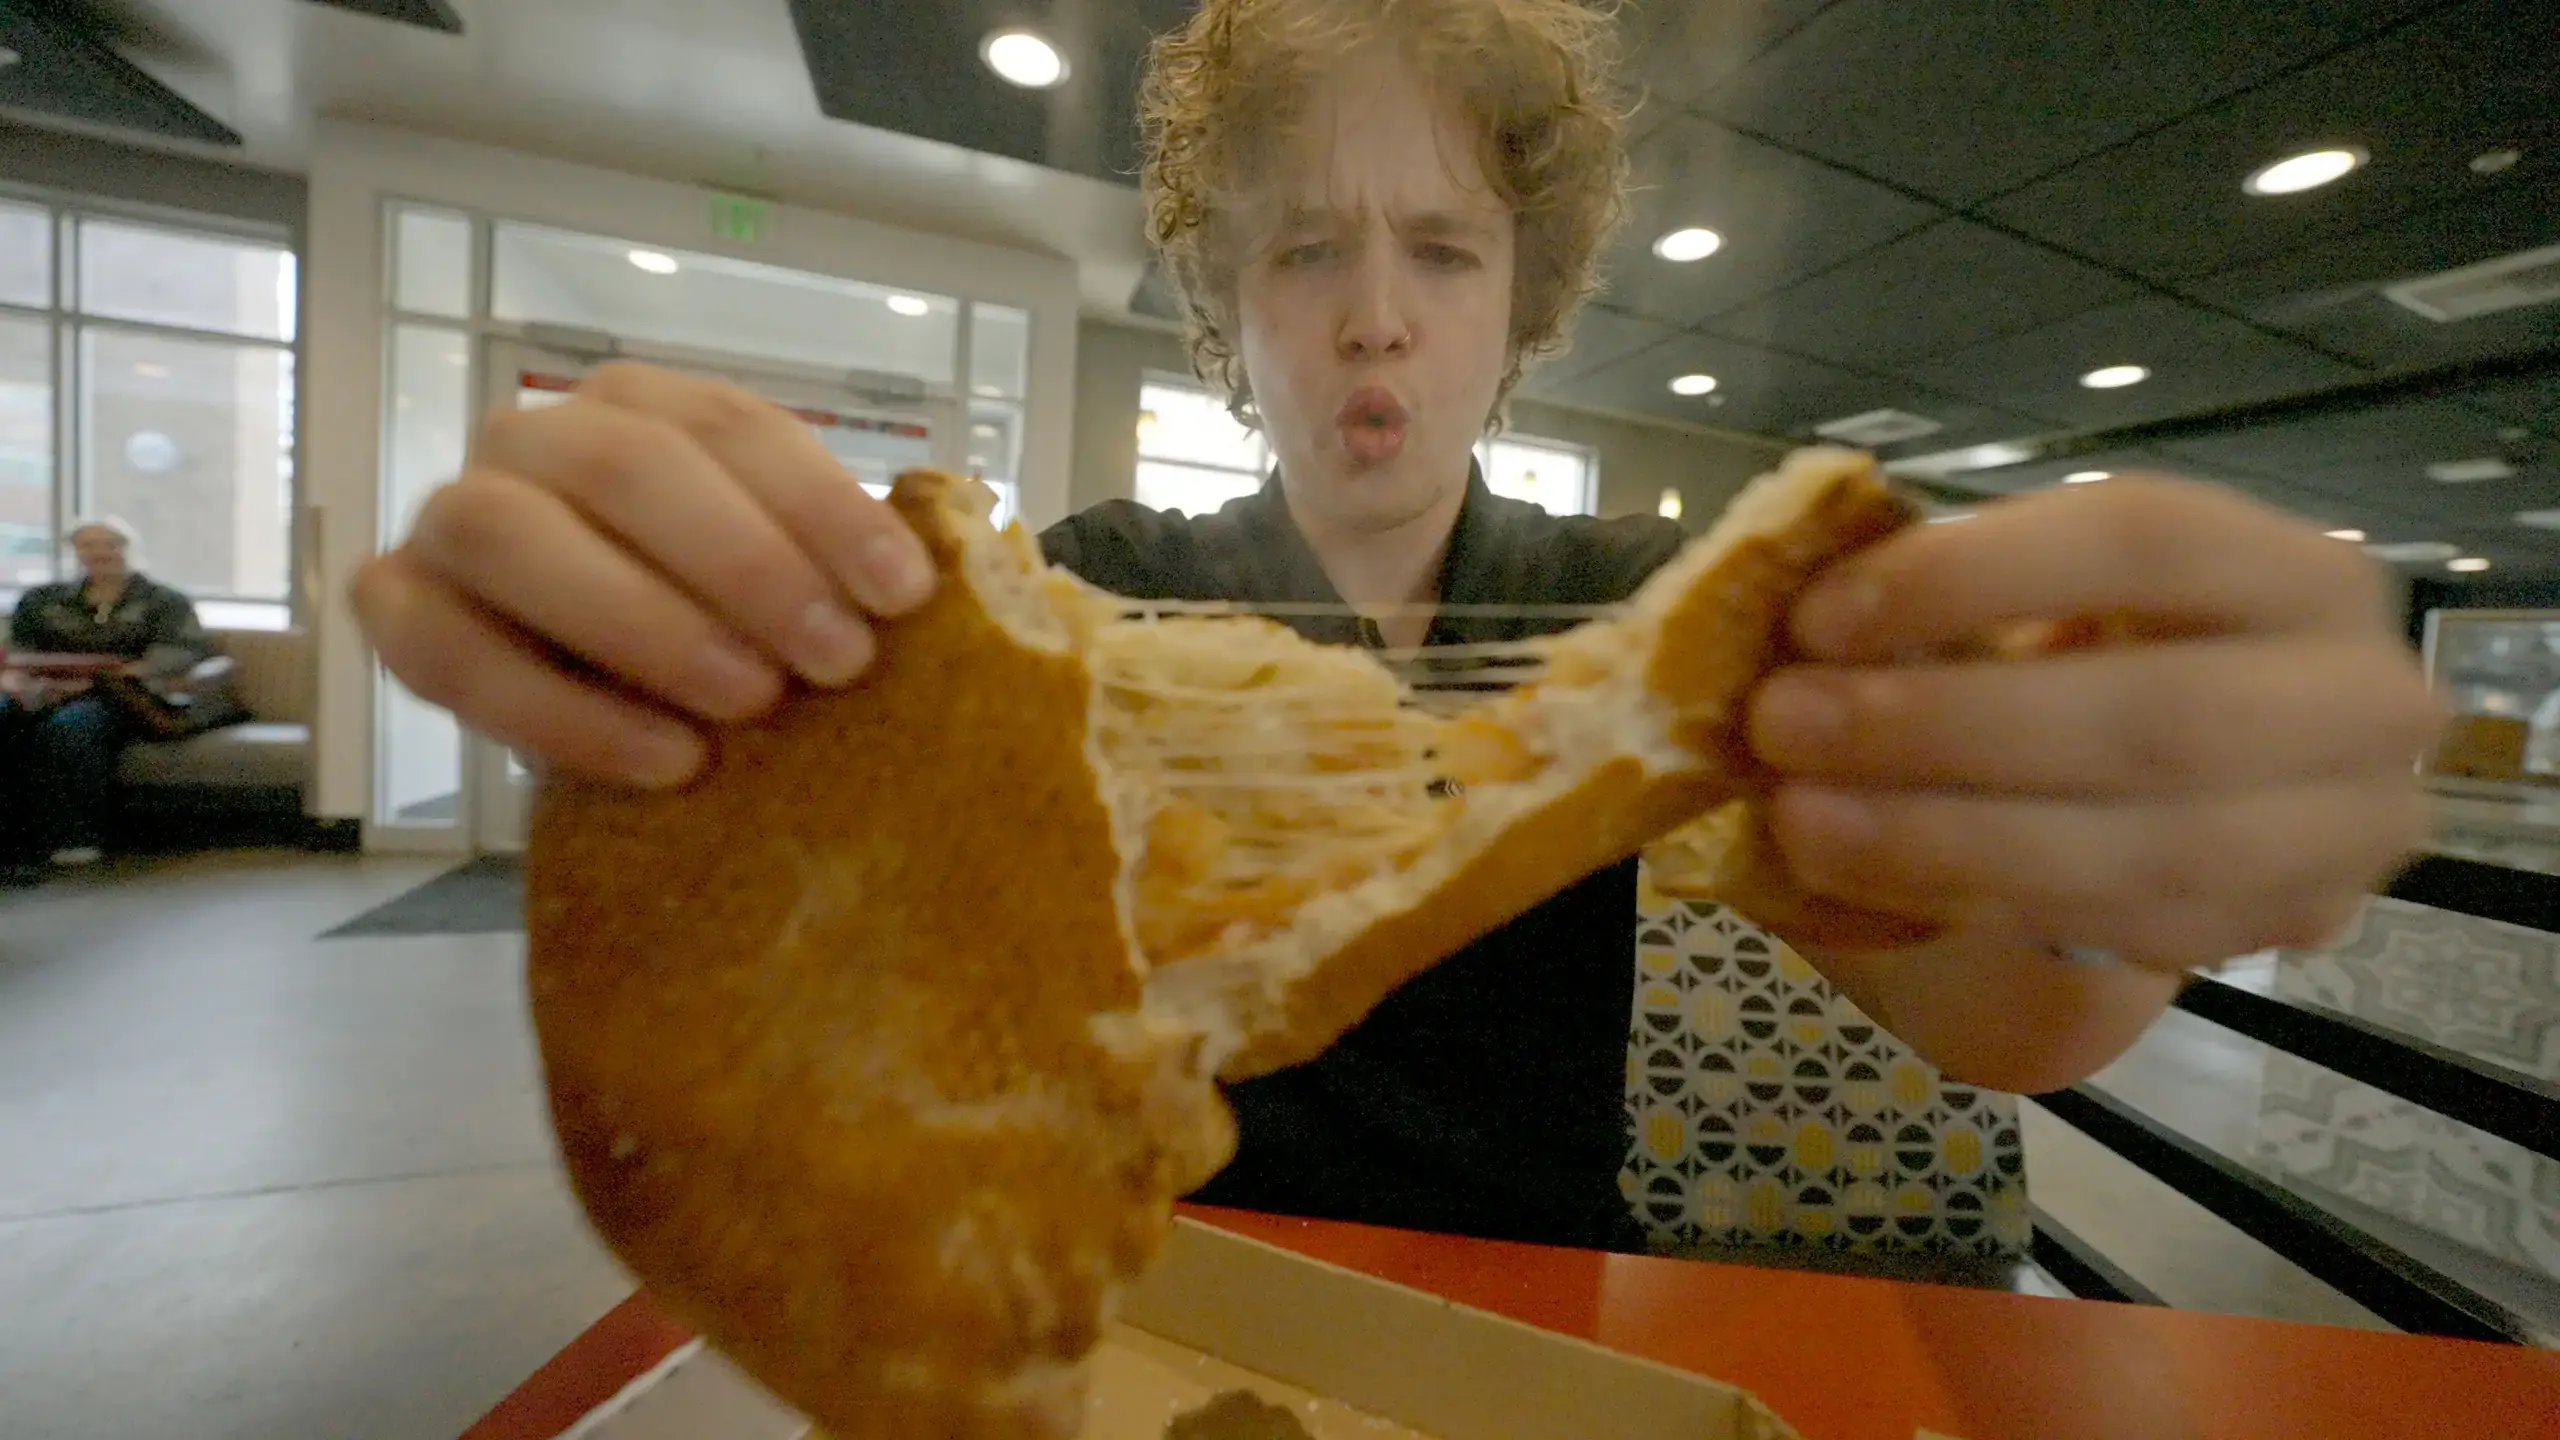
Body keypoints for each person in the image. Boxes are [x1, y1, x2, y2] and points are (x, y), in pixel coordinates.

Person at [351, 0, 2443, 1250]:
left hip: (1531, 1302)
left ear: (1514, 307)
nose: (1370, 311)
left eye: (1440, 249)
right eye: (1302, 250)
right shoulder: (1078, 592)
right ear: (1227, 307)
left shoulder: (1636, 612)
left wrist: (2114, 858)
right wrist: (638, 692)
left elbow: (2003, 1015)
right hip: (1122, 1290)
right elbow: (815, 943)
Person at [2, 518, 215, 874]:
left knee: (69, 728)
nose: (100, 552)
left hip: (118, 697)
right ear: (75, 553)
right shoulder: (41, 600)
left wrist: (109, 677)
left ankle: (73, 838)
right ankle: (11, 845)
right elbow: (18, 651)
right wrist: (20, 680)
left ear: (130, 550)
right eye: (88, 545)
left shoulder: (164, 601)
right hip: (43, 690)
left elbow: (182, 651)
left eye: (111, 544)